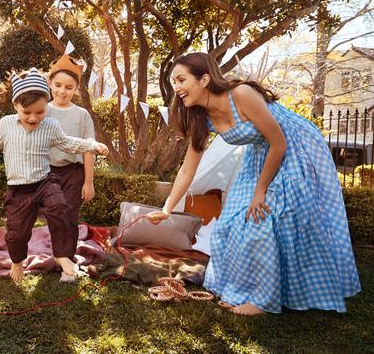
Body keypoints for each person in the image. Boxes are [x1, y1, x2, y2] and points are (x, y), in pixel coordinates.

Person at [147, 52, 361, 315]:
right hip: (261, 153)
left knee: (264, 218)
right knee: (228, 223)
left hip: (294, 145)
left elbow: (279, 143)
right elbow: (187, 170)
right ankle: (239, 287)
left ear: (204, 79)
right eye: (174, 82)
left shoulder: (241, 94)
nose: (176, 88)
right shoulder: (202, 119)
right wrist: (168, 208)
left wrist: (260, 191)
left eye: (181, 80)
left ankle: (263, 300)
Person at [0, 68, 109, 284]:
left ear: (46, 105)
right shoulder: (7, 124)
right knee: (17, 233)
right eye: (27, 112)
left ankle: (61, 255)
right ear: (16, 105)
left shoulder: (51, 125)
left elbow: (68, 142)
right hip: (19, 188)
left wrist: (91, 145)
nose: (33, 118)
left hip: (45, 182)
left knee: (61, 209)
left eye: (40, 112)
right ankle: (17, 262)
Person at [46, 55, 97, 281]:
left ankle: (66, 258)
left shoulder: (82, 115)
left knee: (70, 215)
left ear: (76, 88)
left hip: (74, 173)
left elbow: (88, 149)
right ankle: (60, 255)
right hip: (47, 172)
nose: (62, 91)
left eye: (69, 87)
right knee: (54, 215)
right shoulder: (43, 111)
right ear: (50, 84)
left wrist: (88, 182)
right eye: (58, 86)